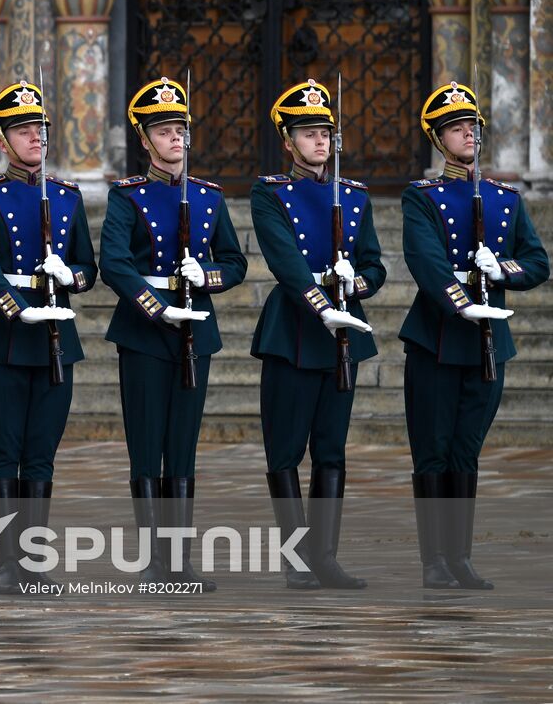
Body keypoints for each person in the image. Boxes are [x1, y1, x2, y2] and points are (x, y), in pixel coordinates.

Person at [100, 76, 246, 591]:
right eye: (164, 131)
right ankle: (153, 560)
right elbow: (114, 263)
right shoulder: (127, 197)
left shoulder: (207, 197)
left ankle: (179, 559)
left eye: (180, 129)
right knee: (146, 446)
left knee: (182, 447)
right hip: (145, 333)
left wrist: (203, 277)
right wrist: (157, 307)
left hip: (195, 332)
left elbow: (235, 262)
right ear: (145, 140)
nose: (176, 139)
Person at [401, 82, 547, 589]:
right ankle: (433, 561)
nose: (468, 133)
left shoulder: (505, 199)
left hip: (488, 345)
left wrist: (501, 269)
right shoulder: (421, 198)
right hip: (438, 339)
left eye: (472, 126)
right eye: (456, 127)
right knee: (433, 452)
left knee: (466, 451)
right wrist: (468, 300)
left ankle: (459, 557)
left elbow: (537, 263)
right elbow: (426, 263)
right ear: (438, 139)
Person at [0, 80, 96, 595]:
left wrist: (70, 278)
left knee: (41, 452)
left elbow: (88, 264)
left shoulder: (65, 196)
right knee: (4, 449)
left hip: (56, 336)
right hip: (4, 337)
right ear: (2, 139)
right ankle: (5, 564)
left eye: (39, 128)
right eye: (23, 130)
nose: (35, 136)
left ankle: (32, 560)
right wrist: (16, 309)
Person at [251, 79, 382, 590]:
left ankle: (324, 557)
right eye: (307, 133)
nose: (320, 141)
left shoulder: (353, 195)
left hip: (342, 338)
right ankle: (295, 559)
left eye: (325, 132)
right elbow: (285, 261)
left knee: (332, 450)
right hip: (295, 332)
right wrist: (322, 302)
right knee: (285, 451)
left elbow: (375, 264)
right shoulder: (270, 192)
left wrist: (358, 281)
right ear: (288, 141)